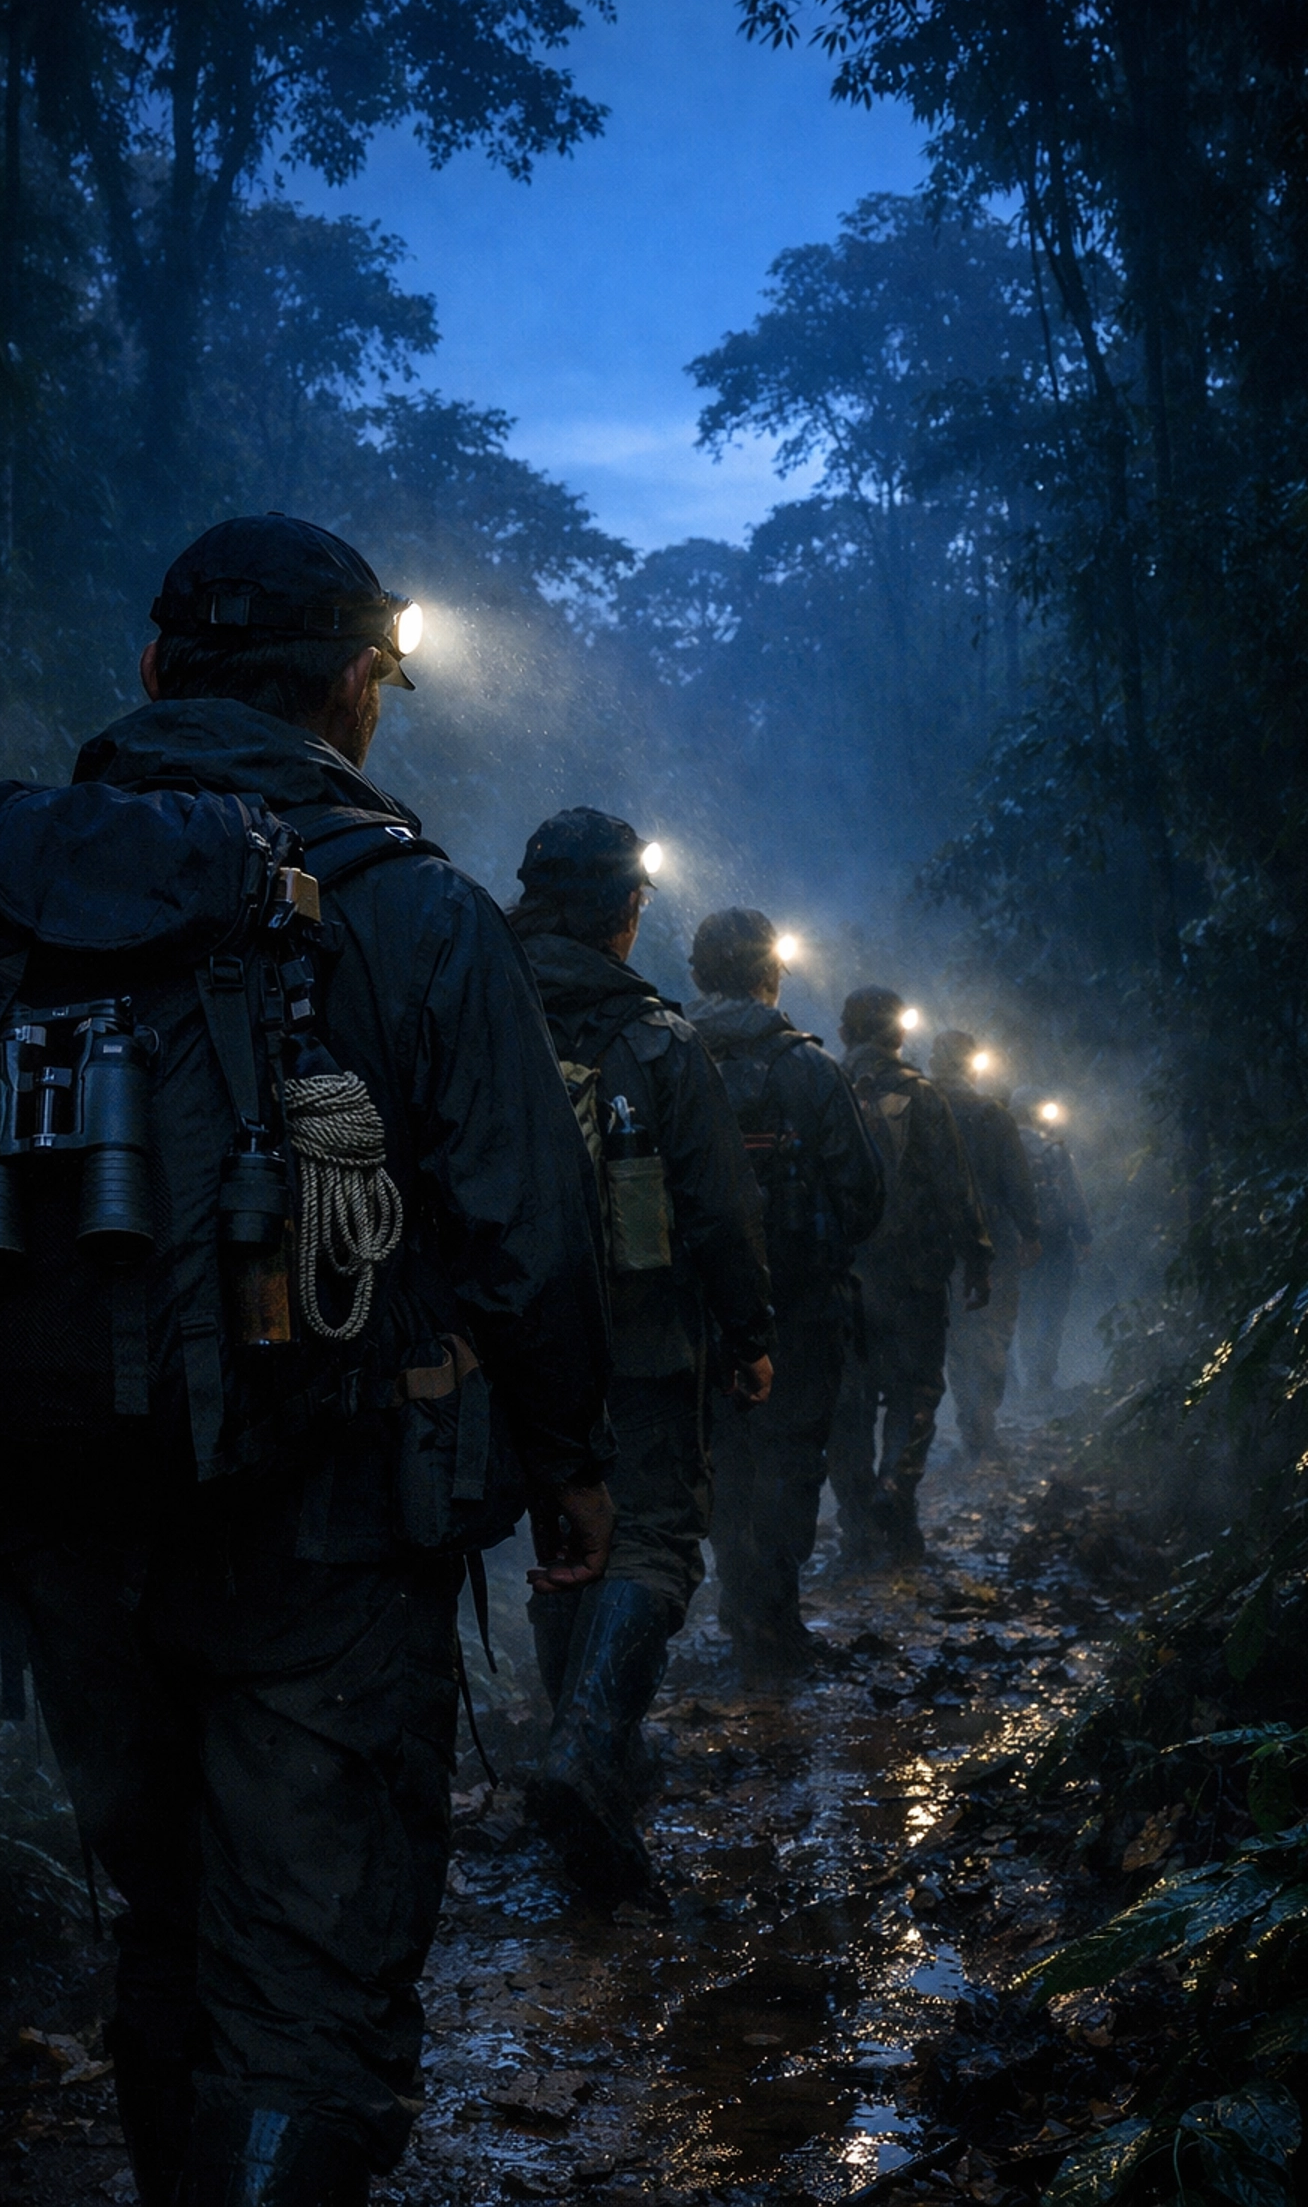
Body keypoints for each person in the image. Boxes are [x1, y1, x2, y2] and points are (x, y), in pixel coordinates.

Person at [0, 515, 615, 2207]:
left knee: (166, 1924)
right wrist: (572, 1466)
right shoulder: (412, 908)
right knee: (311, 1973)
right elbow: (529, 1230)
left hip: (67, 1522)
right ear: (357, 689)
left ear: (150, 672)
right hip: (328, 1527)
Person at [509, 812, 774, 1898]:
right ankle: (586, 1749)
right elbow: (718, 1209)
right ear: (627, 910)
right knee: (653, 1536)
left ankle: (589, 1759)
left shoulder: (475, 1011)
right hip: (645, 1339)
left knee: (564, 1538)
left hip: (509, 1341)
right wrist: (749, 1335)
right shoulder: (658, 1040)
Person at [687, 909, 883, 1679]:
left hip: (694, 1309)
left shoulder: (659, 1052)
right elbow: (863, 1195)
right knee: (793, 1456)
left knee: (722, 1459)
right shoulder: (811, 1069)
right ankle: (773, 1616)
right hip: (799, 1307)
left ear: (698, 973)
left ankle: (741, 1604)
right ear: (773, 974)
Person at [831, 987, 992, 1563]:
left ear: (845, 1032)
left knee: (848, 1399)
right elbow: (955, 1185)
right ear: (900, 1034)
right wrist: (977, 1257)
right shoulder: (922, 1096)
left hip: (839, 1277)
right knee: (915, 1388)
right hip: (914, 1275)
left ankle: (856, 1522)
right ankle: (894, 1492)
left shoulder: (823, 1084)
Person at [929, 1030, 1041, 1457]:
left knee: (954, 1333)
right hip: (991, 1240)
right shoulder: (993, 1115)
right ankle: (980, 1420)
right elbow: (1018, 1182)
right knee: (990, 1330)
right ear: (972, 1065)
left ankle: (969, 1419)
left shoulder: (919, 1109)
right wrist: (1030, 1233)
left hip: (933, 1240)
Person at [1014, 1094, 1093, 1399]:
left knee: (1024, 1309)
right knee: (1053, 1309)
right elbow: (1073, 1195)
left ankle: (1025, 1376)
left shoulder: (1005, 1148)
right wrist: (1083, 1236)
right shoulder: (1055, 1151)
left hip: (1020, 1242)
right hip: (1057, 1240)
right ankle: (1042, 1376)